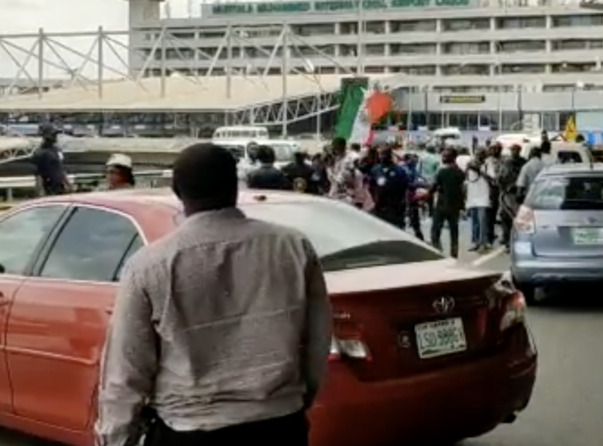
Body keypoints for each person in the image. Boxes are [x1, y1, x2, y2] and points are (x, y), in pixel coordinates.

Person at [94, 143, 332, 446]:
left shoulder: (149, 266)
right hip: (279, 426)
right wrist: (294, 402)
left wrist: (117, 438)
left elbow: (126, 371)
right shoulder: (292, 247)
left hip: (189, 431)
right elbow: (317, 340)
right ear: (235, 186)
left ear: (177, 191)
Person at [430, 148, 466, 258]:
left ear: (453, 157)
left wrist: (424, 194)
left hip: (442, 205)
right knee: (454, 231)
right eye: (443, 155)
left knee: (435, 231)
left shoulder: (442, 171)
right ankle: (454, 254)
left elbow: (434, 187)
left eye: (446, 156)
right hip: (455, 206)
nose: (443, 157)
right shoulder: (460, 172)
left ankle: (437, 251)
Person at [371, 148, 410, 229]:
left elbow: (405, 188)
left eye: (384, 155)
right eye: (381, 156)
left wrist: (404, 204)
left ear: (390, 156)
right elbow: (371, 186)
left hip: (395, 207)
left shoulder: (399, 171)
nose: (382, 158)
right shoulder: (376, 170)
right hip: (379, 207)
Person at [498, 144, 526, 249]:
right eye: (512, 150)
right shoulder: (506, 162)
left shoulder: (523, 163)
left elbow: (523, 179)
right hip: (506, 194)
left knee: (517, 217)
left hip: (518, 194)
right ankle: (506, 240)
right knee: (504, 217)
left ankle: (517, 239)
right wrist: (503, 188)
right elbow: (500, 177)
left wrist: (514, 186)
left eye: (515, 150)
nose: (513, 152)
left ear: (519, 151)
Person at [32, 123, 68, 196]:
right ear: (45, 136)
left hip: (61, 188)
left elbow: (61, 169)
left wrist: (68, 184)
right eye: (53, 135)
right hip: (49, 189)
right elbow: (38, 175)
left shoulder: (57, 150)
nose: (56, 137)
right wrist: (41, 193)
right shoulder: (40, 153)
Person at [465, 157, 492, 253]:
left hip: (483, 198)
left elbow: (491, 178)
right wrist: (468, 168)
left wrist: (479, 170)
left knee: (482, 223)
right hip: (472, 198)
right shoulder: (469, 169)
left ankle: (483, 244)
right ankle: (475, 243)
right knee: (474, 222)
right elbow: (466, 181)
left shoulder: (487, 165)